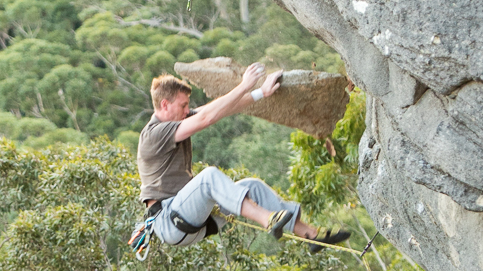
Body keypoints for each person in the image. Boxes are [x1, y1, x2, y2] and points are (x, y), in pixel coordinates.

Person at [132, 63, 350, 254]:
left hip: (195, 221)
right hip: (170, 221)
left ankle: (311, 235)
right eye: (183, 106)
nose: (187, 110)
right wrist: (244, 85)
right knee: (209, 177)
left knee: (253, 187)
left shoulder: (177, 120)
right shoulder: (154, 134)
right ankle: (268, 219)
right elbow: (206, 118)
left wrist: (261, 92)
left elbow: (221, 109)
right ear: (164, 105)